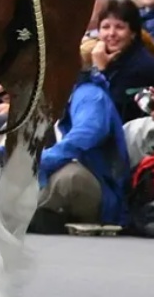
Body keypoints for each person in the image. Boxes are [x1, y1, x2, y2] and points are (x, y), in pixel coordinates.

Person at [29, 42, 130, 234]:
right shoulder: (59, 94)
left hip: (102, 189)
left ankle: (28, 212)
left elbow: (82, 138)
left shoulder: (90, 96)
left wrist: (39, 160)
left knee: (69, 177)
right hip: (61, 167)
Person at [93, 0, 154, 123]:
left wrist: (103, 71)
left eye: (119, 27)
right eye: (105, 27)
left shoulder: (141, 66)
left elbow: (109, 109)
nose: (111, 33)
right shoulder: (109, 57)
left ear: (133, 33)